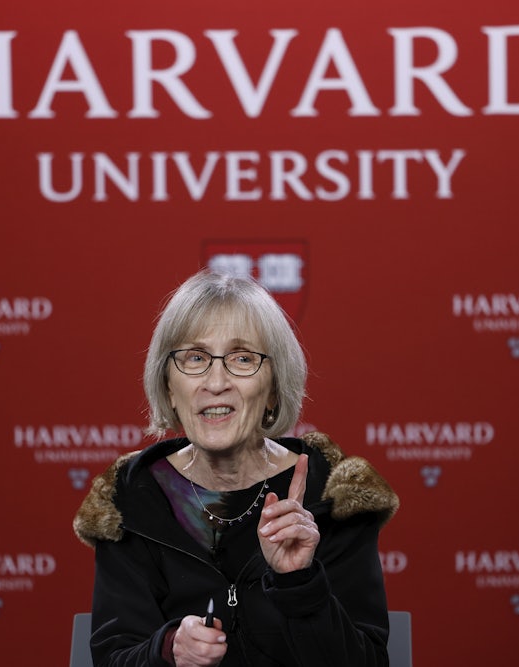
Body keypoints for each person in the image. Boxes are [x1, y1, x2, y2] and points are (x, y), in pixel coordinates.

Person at [73, 270, 399, 666]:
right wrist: (168, 649)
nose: (216, 381)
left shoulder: (332, 494)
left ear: (274, 390)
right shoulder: (132, 498)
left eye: (242, 358)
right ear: (169, 388)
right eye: (195, 358)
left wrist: (299, 582)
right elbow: (113, 657)